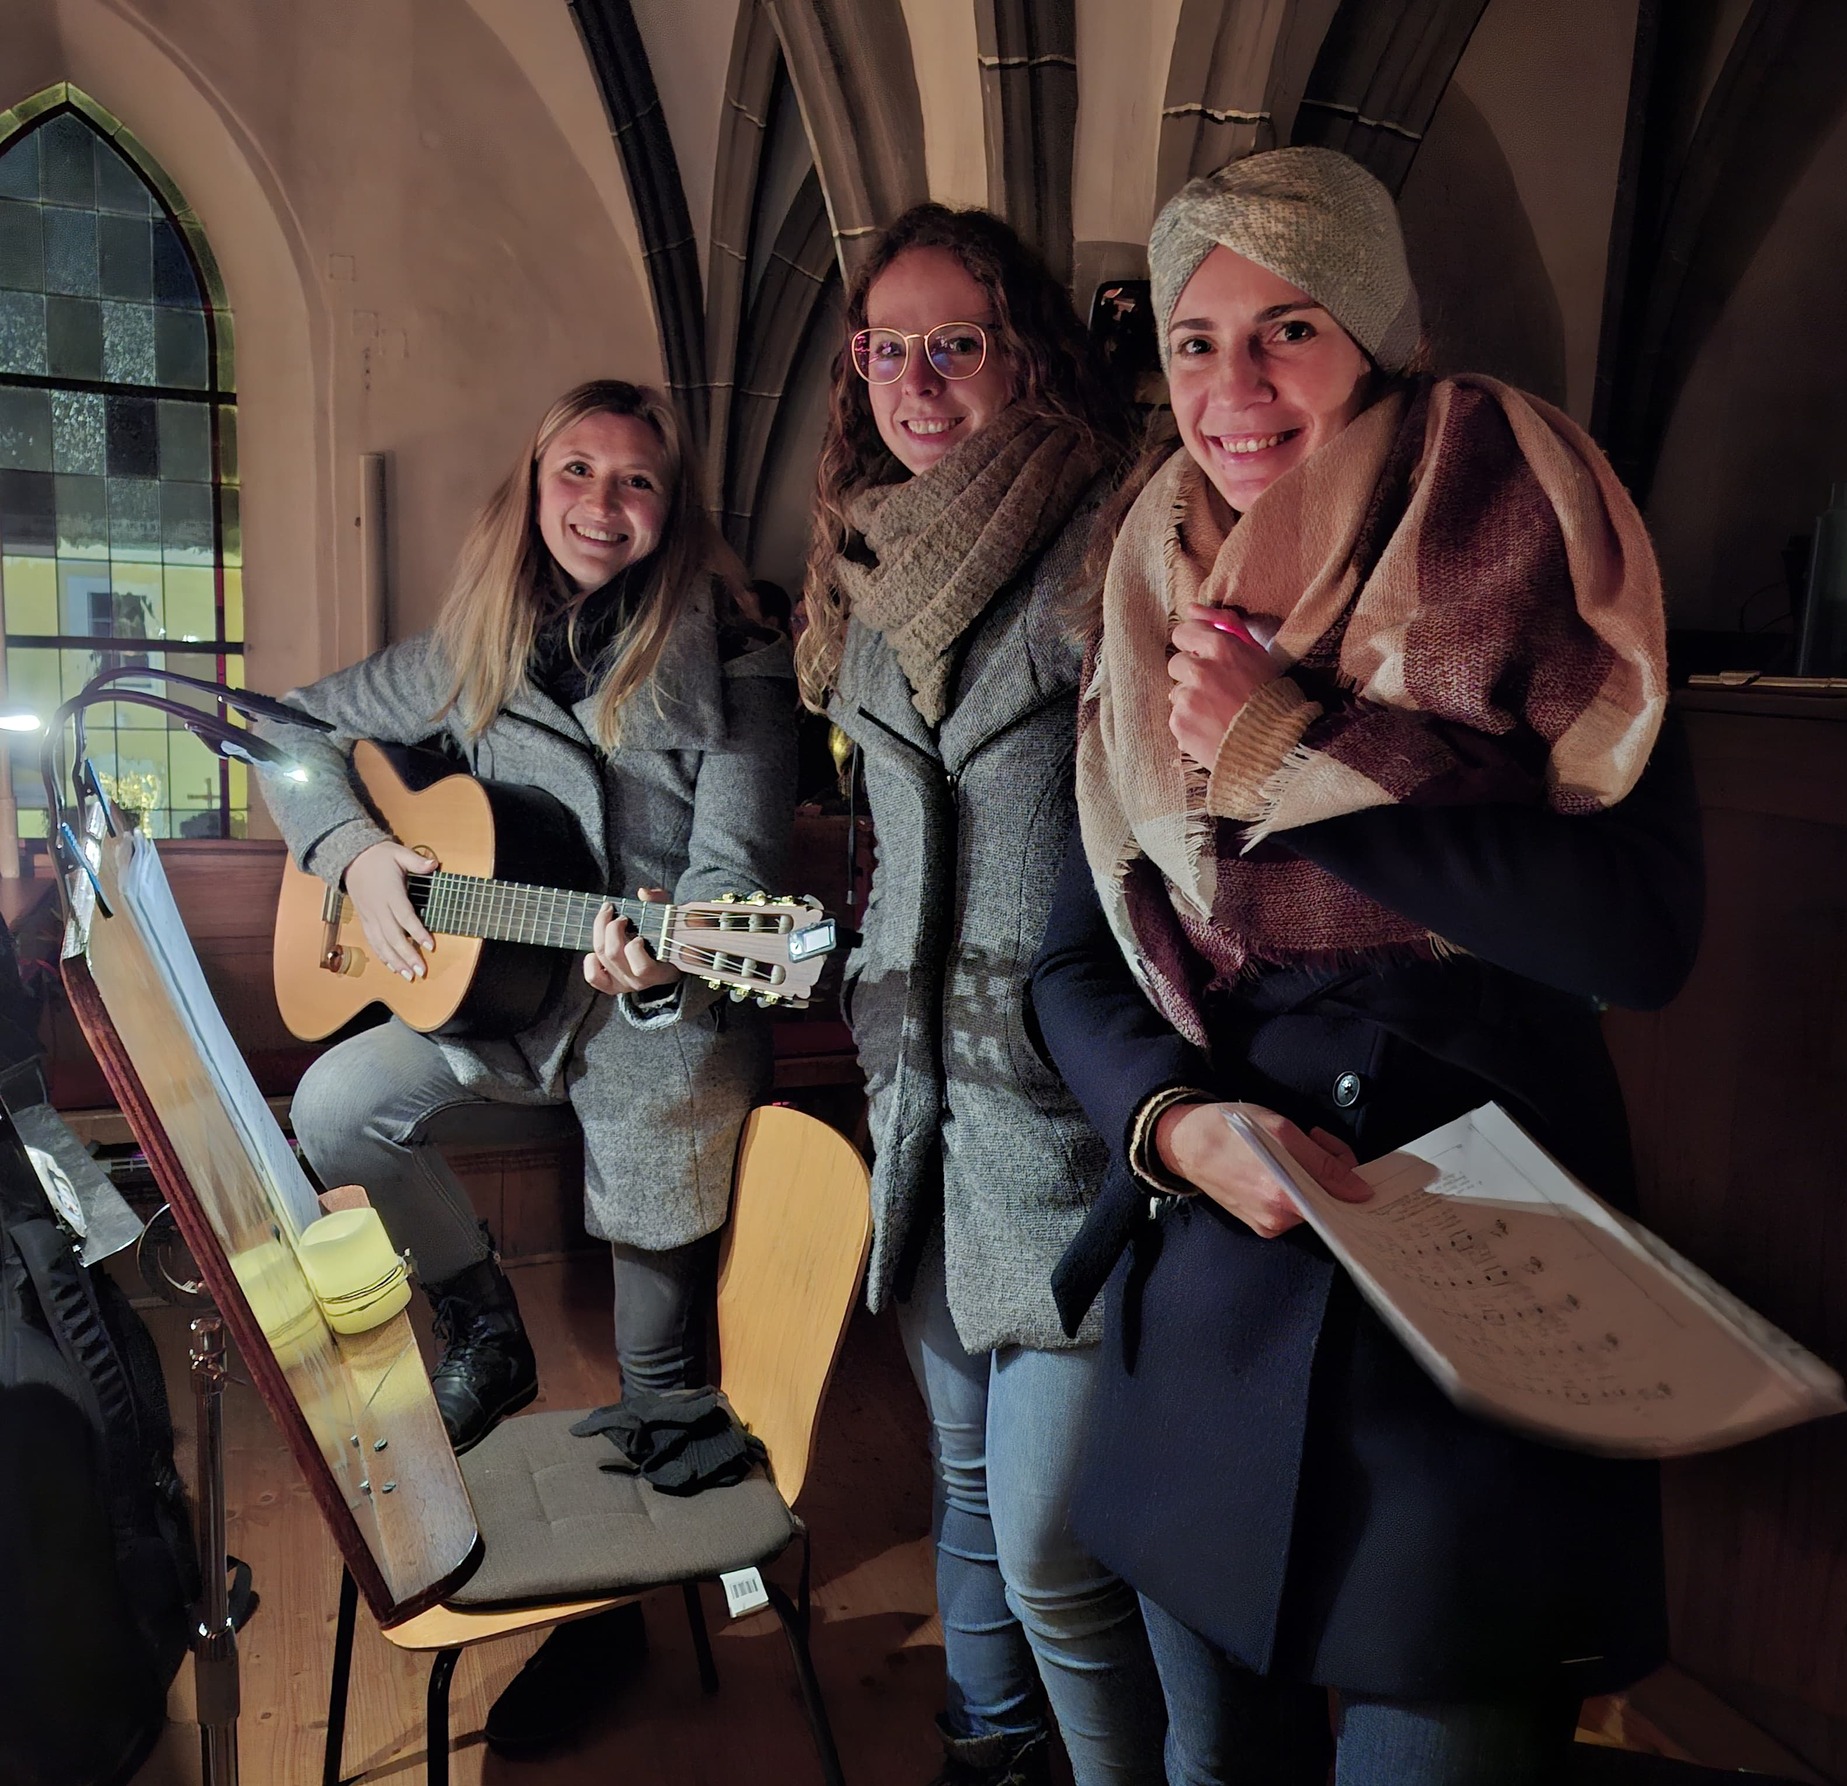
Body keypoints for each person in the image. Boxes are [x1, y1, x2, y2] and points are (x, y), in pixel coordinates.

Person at [1027, 149, 1704, 1786]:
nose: (1236, 389)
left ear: (1380, 337)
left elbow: (1638, 935)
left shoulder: (1528, 536)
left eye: (1291, 329)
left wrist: (1296, 758)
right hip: (1224, 1283)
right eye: (1197, 341)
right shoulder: (1147, 581)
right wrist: (1178, 1126)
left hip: (1478, 1284)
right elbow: (1072, 966)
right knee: (1219, 1761)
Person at [259, 378, 796, 1753]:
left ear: (672, 509)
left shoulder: (735, 652)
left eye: (636, 481)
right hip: (498, 999)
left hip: (656, 1019)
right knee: (336, 1103)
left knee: (657, 1370)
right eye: (577, 472)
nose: (602, 504)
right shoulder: (476, 647)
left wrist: (669, 957)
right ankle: (483, 1323)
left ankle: (629, 1599)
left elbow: (736, 872)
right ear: (534, 484)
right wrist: (354, 855)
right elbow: (286, 732)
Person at [797, 205, 1165, 1786]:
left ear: (1029, 357)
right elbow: (894, 853)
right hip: (923, 1112)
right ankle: (991, 1743)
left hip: (1070, 1121)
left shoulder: (1116, 542)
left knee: (1054, 1542)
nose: (917, 381)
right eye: (887, 349)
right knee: (959, 1473)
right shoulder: (867, 571)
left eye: (956, 343)